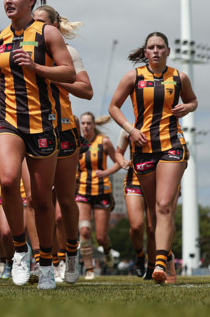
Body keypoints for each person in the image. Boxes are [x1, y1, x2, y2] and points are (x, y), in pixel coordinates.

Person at [0, 0, 76, 290]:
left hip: (43, 121)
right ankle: (20, 250)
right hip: (7, 119)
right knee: (6, 181)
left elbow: (68, 72)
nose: (7, 0)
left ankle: (46, 264)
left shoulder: (47, 33)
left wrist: (36, 67)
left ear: (31, 0)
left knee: (42, 201)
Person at [109, 32, 197, 285]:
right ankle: (165, 260)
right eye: (151, 47)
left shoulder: (180, 77)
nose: (156, 51)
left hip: (173, 146)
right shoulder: (133, 77)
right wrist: (130, 130)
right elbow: (113, 106)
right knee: (152, 214)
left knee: (164, 206)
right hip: (143, 148)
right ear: (145, 52)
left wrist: (187, 107)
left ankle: (159, 262)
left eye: (161, 47)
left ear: (168, 51)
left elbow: (193, 101)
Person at [32, 5, 93, 284]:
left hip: (64, 128)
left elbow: (86, 91)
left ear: (55, 25)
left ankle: (71, 256)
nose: (38, 29)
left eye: (44, 24)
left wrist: (51, 73)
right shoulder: (21, 50)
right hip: (31, 129)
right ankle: (44, 260)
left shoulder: (67, 53)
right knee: (39, 199)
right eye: (34, 23)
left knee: (65, 201)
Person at [75, 112, 121, 280]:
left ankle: (107, 250)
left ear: (94, 125)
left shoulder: (104, 142)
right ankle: (89, 269)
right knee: (85, 231)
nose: (85, 126)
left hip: (102, 191)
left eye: (88, 123)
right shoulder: (77, 143)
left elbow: (119, 161)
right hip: (82, 191)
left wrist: (107, 172)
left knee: (101, 237)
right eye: (83, 123)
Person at [114, 128, 156, 279]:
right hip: (134, 182)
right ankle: (139, 255)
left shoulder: (163, 124)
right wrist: (122, 161)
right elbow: (118, 153)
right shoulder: (127, 129)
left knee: (152, 229)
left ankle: (152, 266)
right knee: (136, 226)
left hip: (156, 182)